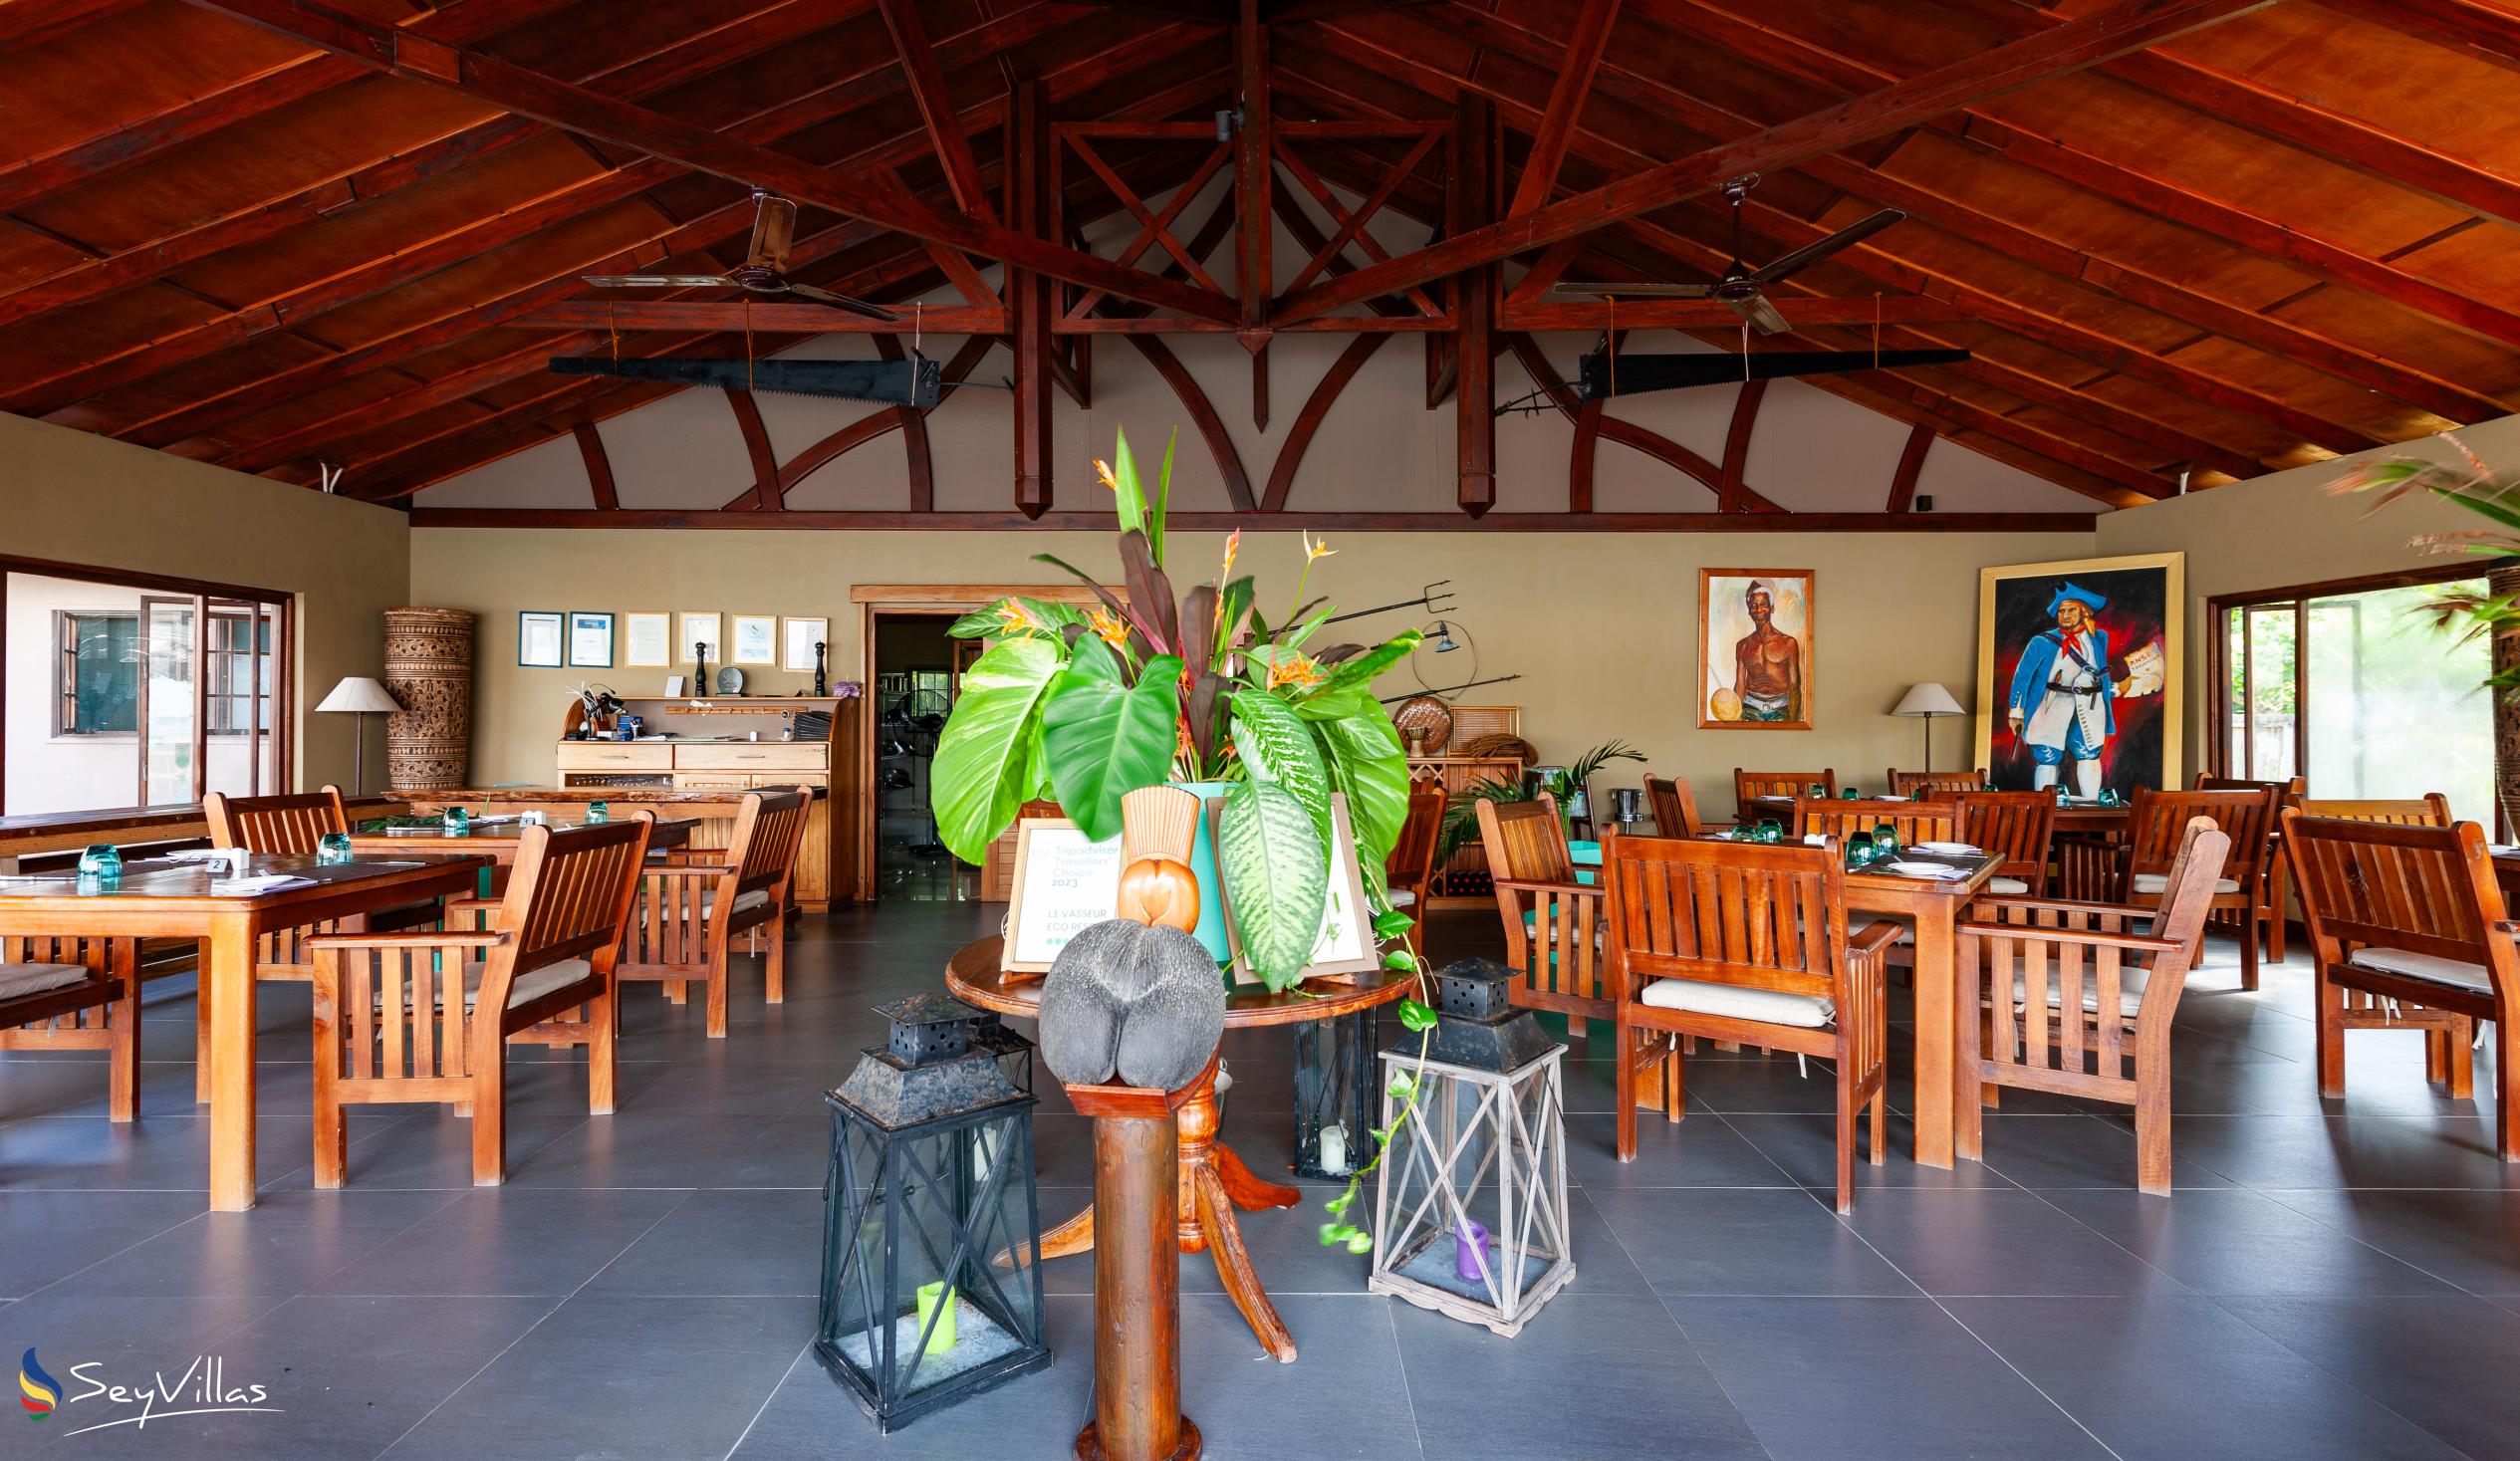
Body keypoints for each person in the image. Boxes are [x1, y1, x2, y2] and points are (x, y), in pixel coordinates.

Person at [2006, 582, 2132, 799]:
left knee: (2088, 753)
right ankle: (2043, 806)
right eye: (2062, 610)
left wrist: (2115, 689)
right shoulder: (2041, 642)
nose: (2065, 615)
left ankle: (2092, 807)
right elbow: (2022, 677)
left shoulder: (2098, 638)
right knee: (2047, 755)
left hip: (2088, 706)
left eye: (2071, 609)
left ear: (2084, 612)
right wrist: (2016, 712)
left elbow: (2097, 675)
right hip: (2051, 704)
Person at [1730, 580, 1803, 723]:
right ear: (1749, 611)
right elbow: (1740, 685)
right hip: (1750, 710)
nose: (1758, 610)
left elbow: (1795, 686)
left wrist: (1793, 722)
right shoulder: (1743, 645)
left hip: (1782, 710)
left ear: (1772, 608)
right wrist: (1736, 719)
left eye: (1763, 605)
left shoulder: (1789, 643)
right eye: (1754, 606)